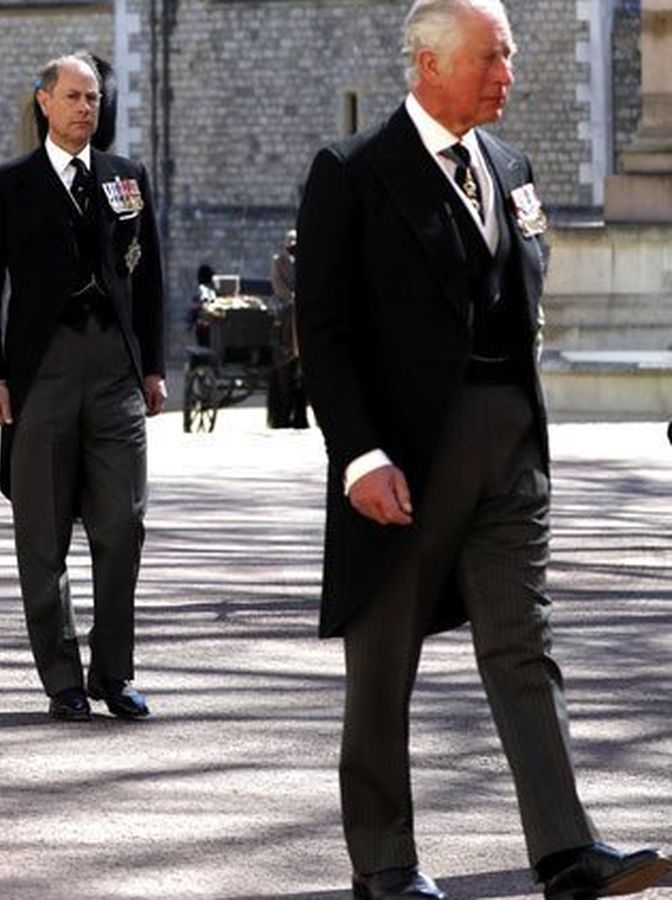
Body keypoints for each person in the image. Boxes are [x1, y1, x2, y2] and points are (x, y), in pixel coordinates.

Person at [295, 2, 671, 897]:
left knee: (523, 646)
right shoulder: (353, 171)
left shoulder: (511, 166)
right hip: (405, 459)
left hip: (511, 446)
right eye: (494, 59)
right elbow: (327, 332)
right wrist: (358, 458)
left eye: (509, 57)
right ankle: (384, 862)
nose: (510, 75)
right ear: (429, 65)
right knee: (385, 662)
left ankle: (566, 850)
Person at [0, 53, 166, 722]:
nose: (88, 108)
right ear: (44, 102)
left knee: (123, 525)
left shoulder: (126, 179)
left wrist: (153, 365)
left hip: (114, 369)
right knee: (43, 535)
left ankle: (115, 674)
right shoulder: (6, 185)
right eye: (75, 97)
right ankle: (62, 679)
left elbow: (153, 280)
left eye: (95, 99)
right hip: (40, 372)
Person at [265, 228, 308, 429]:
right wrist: (292, 298)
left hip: (303, 305)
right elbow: (278, 285)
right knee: (291, 311)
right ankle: (293, 348)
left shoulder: (306, 261)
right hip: (285, 307)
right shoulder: (278, 262)